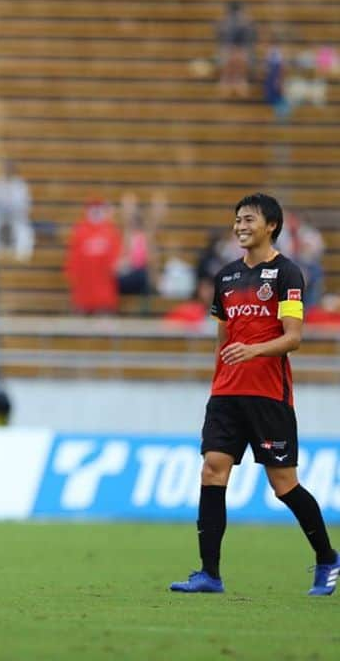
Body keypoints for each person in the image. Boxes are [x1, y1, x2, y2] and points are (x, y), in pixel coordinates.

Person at [170, 193, 340, 596]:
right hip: (227, 394)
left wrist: (254, 351)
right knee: (213, 468)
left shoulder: (287, 274)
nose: (240, 226)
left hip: (268, 395)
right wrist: (218, 381)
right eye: (237, 220)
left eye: (248, 219)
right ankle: (209, 574)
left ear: (271, 226)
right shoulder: (226, 277)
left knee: (283, 485)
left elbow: (294, 338)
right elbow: (223, 338)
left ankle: (328, 558)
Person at [64, 200, 122, 315]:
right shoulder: (80, 231)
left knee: (104, 320)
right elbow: (73, 261)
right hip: (84, 291)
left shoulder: (111, 231)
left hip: (104, 292)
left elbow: (116, 261)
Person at [0, 161, 33, 261]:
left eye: (10, 169)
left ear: (14, 171)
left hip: (16, 215)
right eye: (7, 169)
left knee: (24, 229)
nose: (8, 172)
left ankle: (22, 254)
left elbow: (26, 204)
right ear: (4, 170)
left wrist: (16, 209)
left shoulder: (20, 185)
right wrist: (0, 207)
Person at [216, 1, 256, 98]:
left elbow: (251, 40)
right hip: (232, 50)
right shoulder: (227, 23)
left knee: (237, 64)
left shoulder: (244, 23)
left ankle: (236, 81)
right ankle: (232, 81)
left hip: (238, 50)